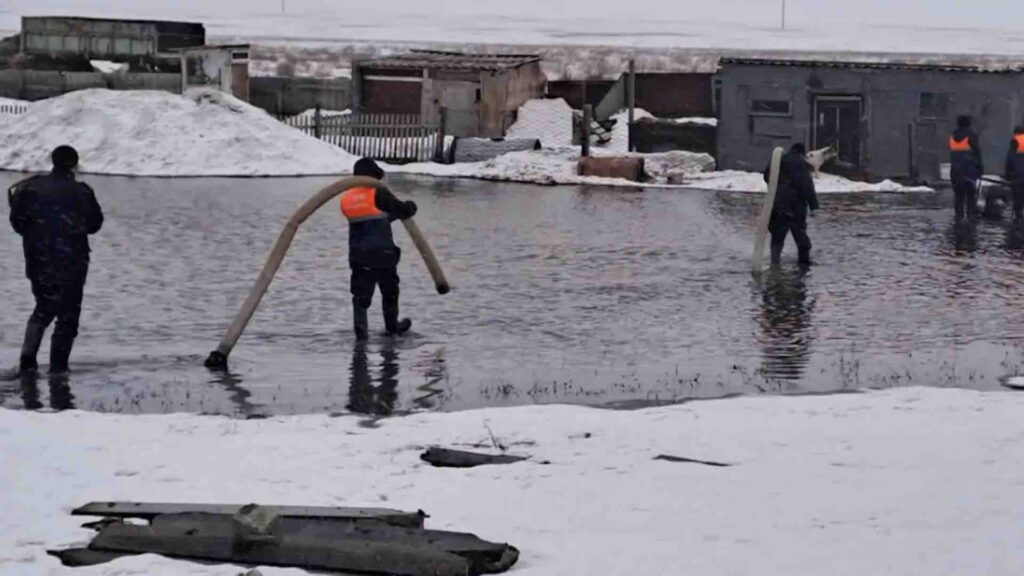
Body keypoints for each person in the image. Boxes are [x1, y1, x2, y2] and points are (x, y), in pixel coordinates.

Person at [9, 145, 103, 375]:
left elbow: (17, 223)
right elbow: (94, 225)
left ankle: (27, 362)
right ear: (74, 164)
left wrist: (38, 237)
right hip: (72, 261)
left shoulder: (28, 187)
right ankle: (58, 370)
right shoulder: (82, 191)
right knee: (68, 317)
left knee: (43, 308)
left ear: (52, 161)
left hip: (38, 259)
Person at [341, 158, 418, 341]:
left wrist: (390, 216)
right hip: (383, 253)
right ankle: (392, 328)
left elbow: (371, 217)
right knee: (389, 291)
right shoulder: (378, 193)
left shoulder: (347, 198)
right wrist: (410, 206)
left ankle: (361, 332)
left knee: (360, 295)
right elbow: (402, 209)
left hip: (359, 255)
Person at [763, 143, 819, 266]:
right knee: (801, 239)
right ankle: (803, 266)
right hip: (795, 207)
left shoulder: (778, 159)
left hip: (777, 205)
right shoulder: (801, 163)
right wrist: (814, 206)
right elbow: (807, 186)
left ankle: (775, 264)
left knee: (777, 238)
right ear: (802, 153)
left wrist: (779, 186)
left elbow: (767, 176)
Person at [949, 115, 983, 219]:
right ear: (968, 124)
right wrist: (980, 169)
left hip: (956, 172)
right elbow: (977, 154)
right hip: (969, 172)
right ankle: (970, 220)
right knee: (970, 197)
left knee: (959, 197)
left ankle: (959, 220)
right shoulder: (972, 136)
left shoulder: (952, 137)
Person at [1005, 125, 1024, 220]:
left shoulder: (1014, 142)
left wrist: (1007, 175)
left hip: (1018, 177)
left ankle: (1018, 224)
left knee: (1018, 202)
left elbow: (1010, 161)